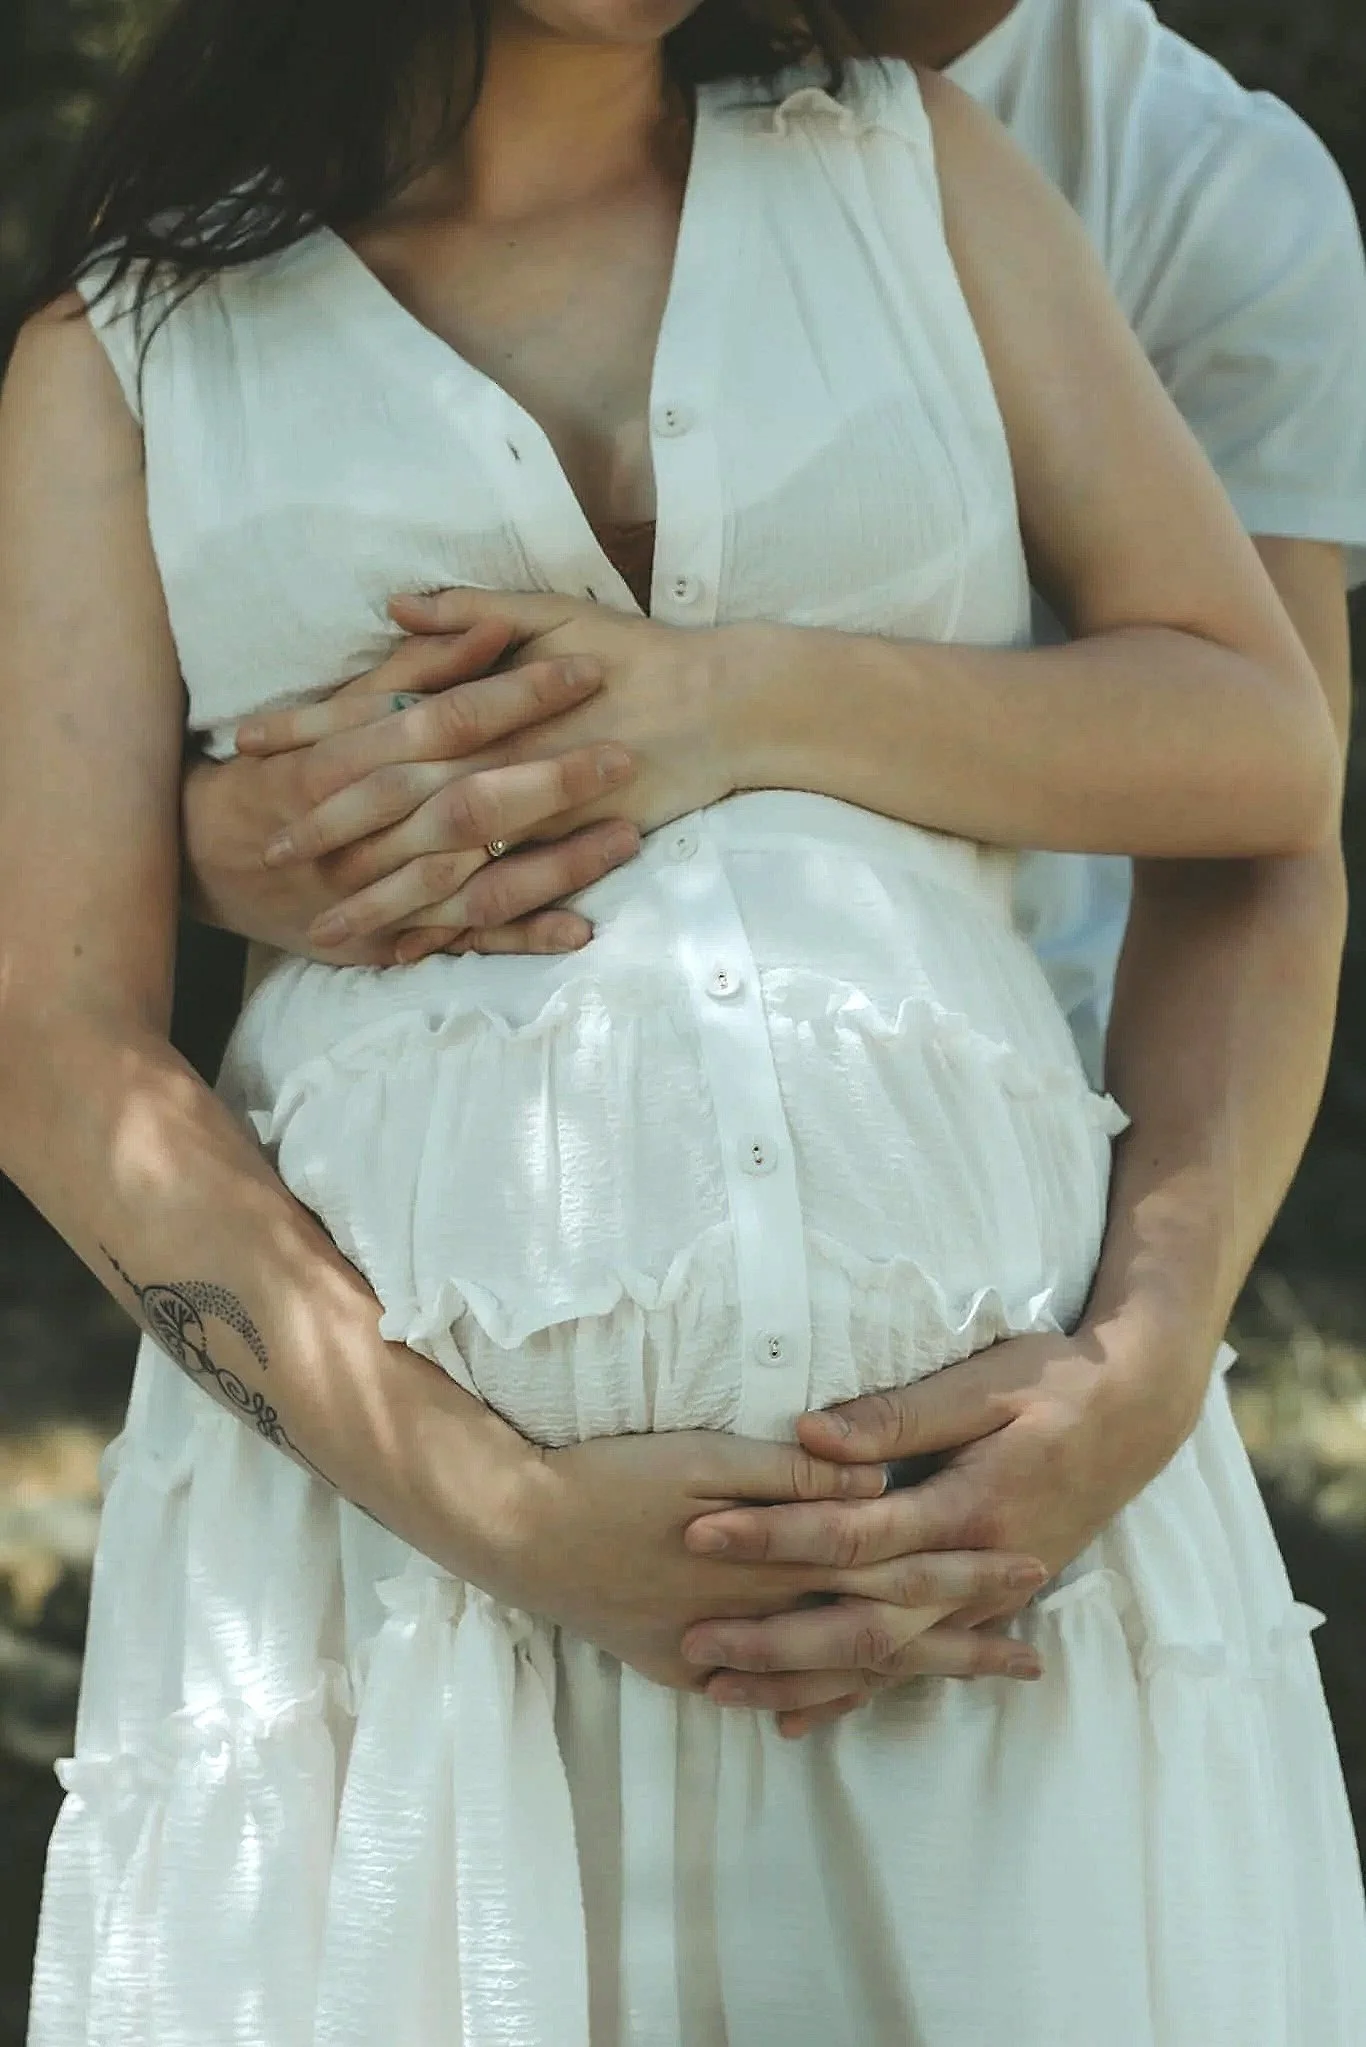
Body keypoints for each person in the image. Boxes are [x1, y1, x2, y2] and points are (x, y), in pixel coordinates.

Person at [0, 10, 1361, 2047]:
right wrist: (511, 1515)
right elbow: (56, 1045)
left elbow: (1257, 754)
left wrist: (725, 697)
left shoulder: (915, 173)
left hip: (991, 1573)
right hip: (417, 1616)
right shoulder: (122, 355)